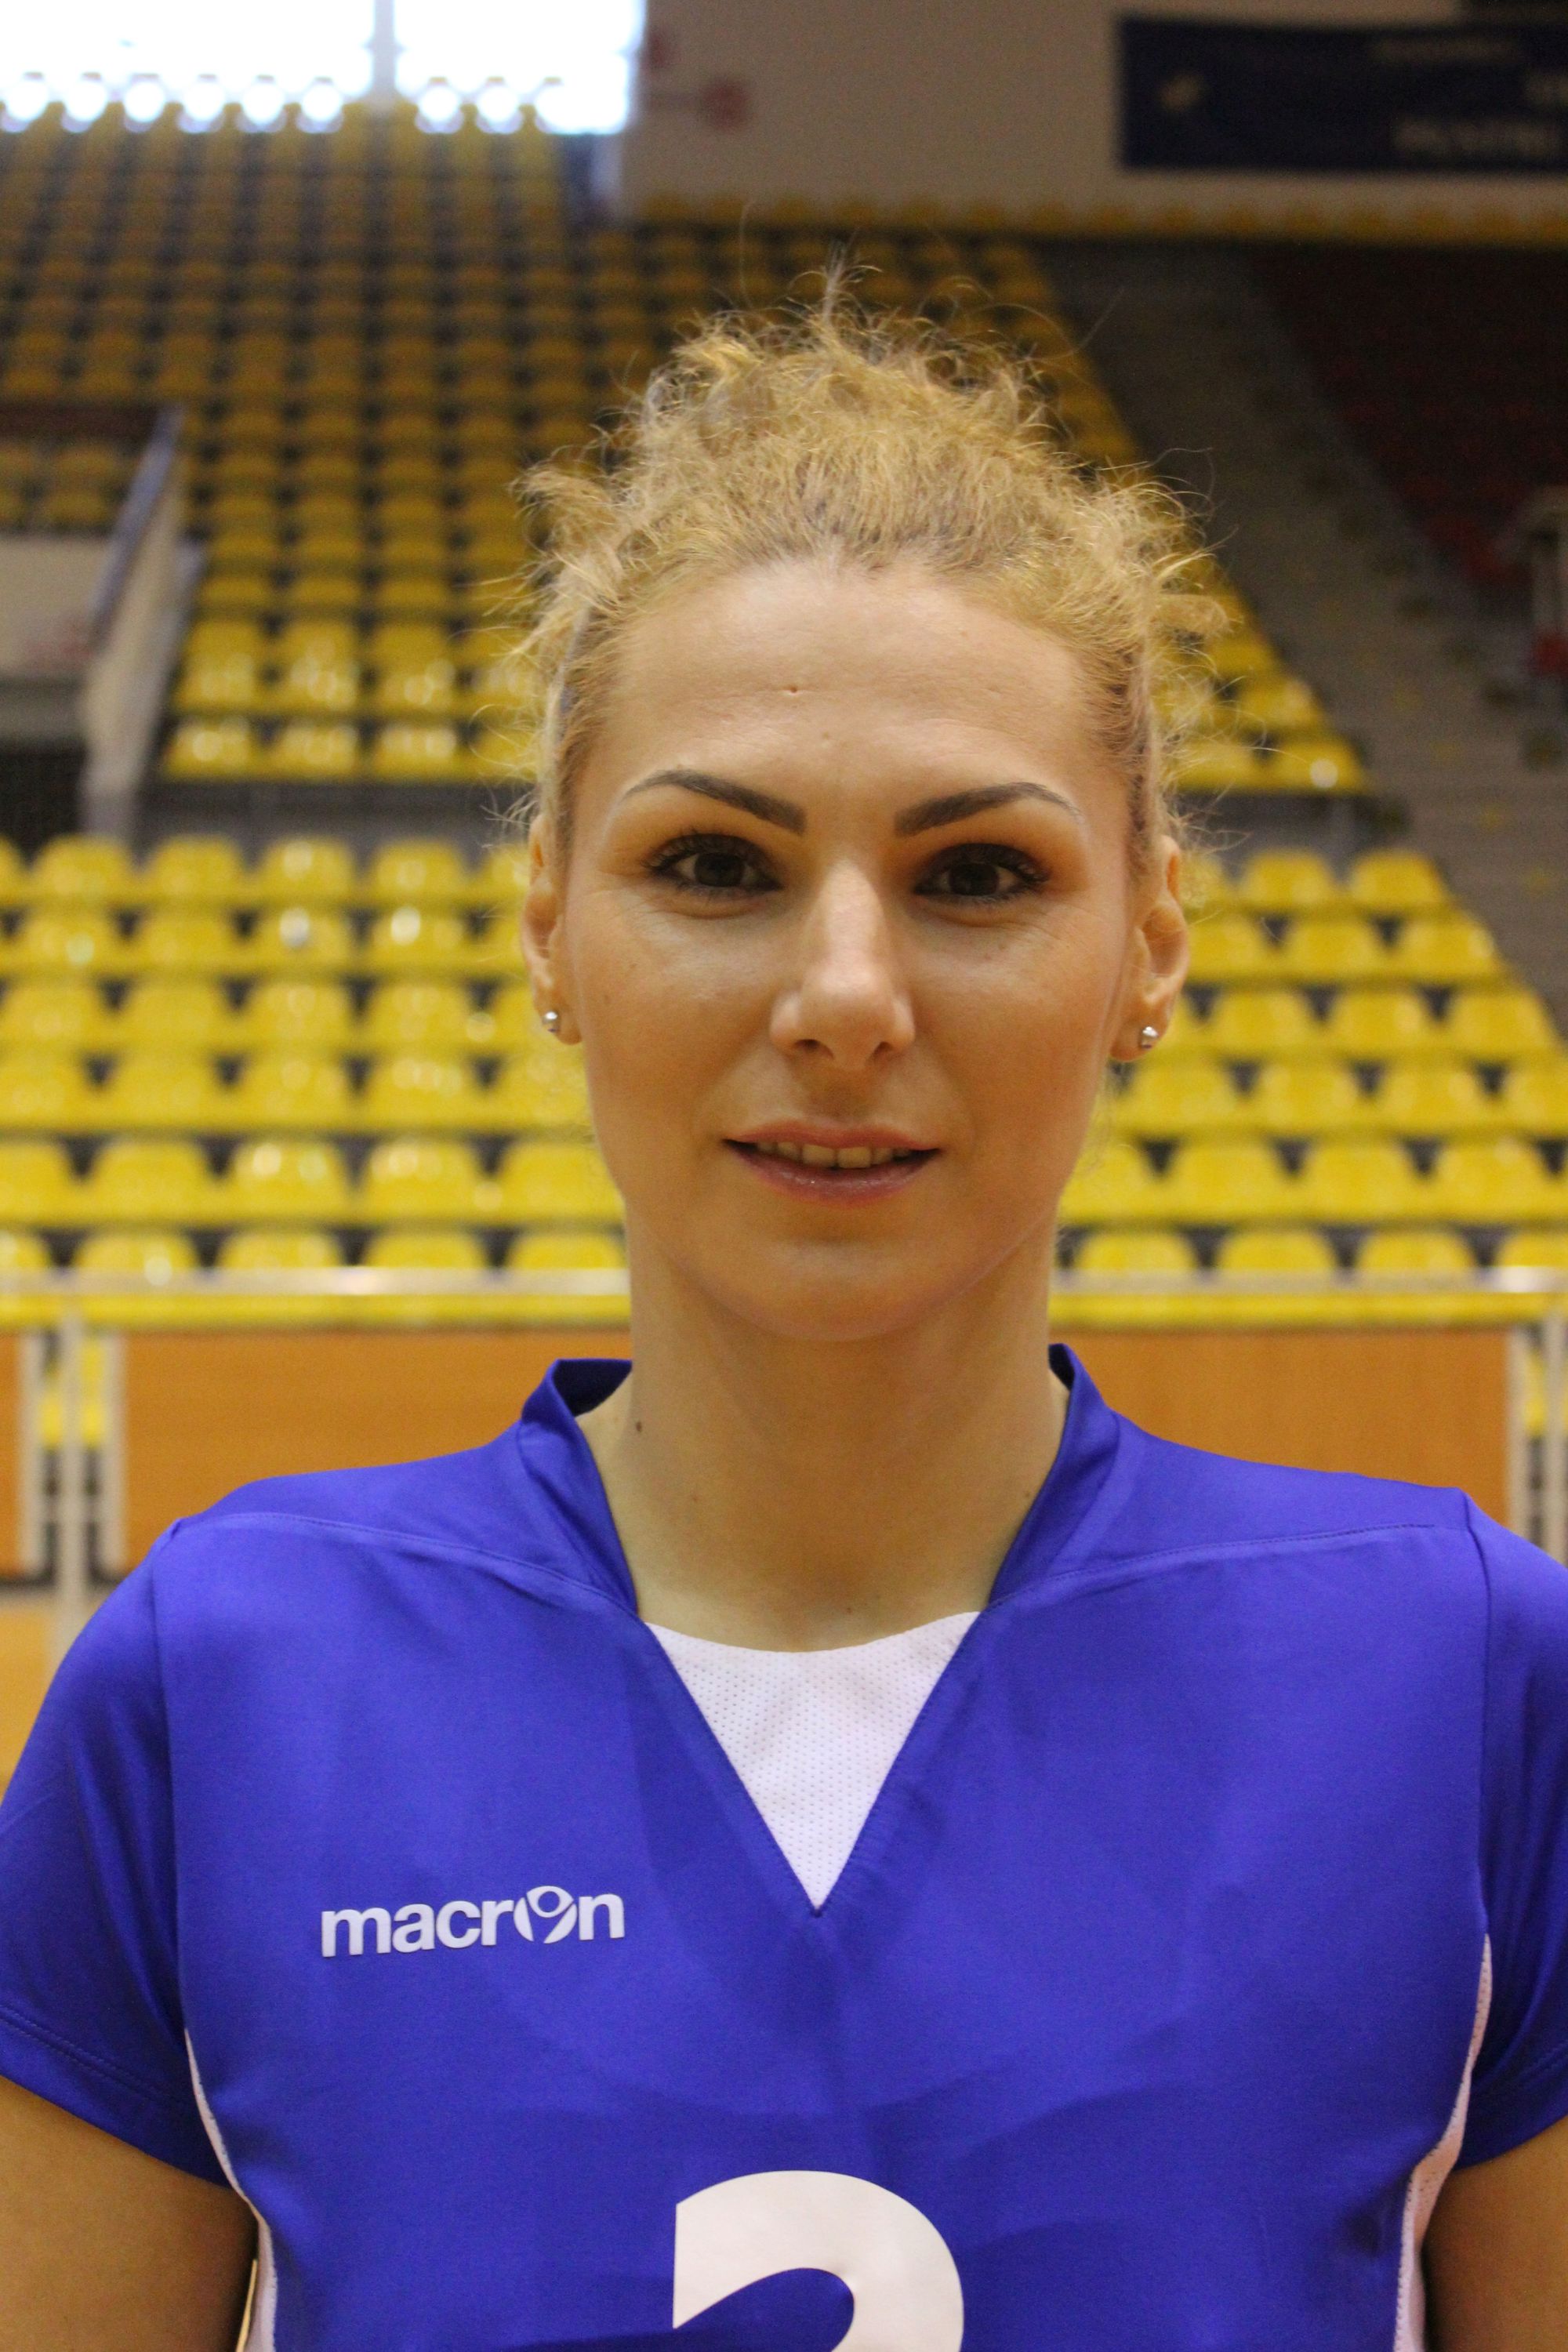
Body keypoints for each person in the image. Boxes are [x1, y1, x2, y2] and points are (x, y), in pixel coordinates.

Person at [0, 305, 1564, 2352]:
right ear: (551, 924)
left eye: (978, 872)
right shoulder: (218, 1684)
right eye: (714, 864)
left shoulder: (1465, 1676)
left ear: (1152, 942)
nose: (843, 996)